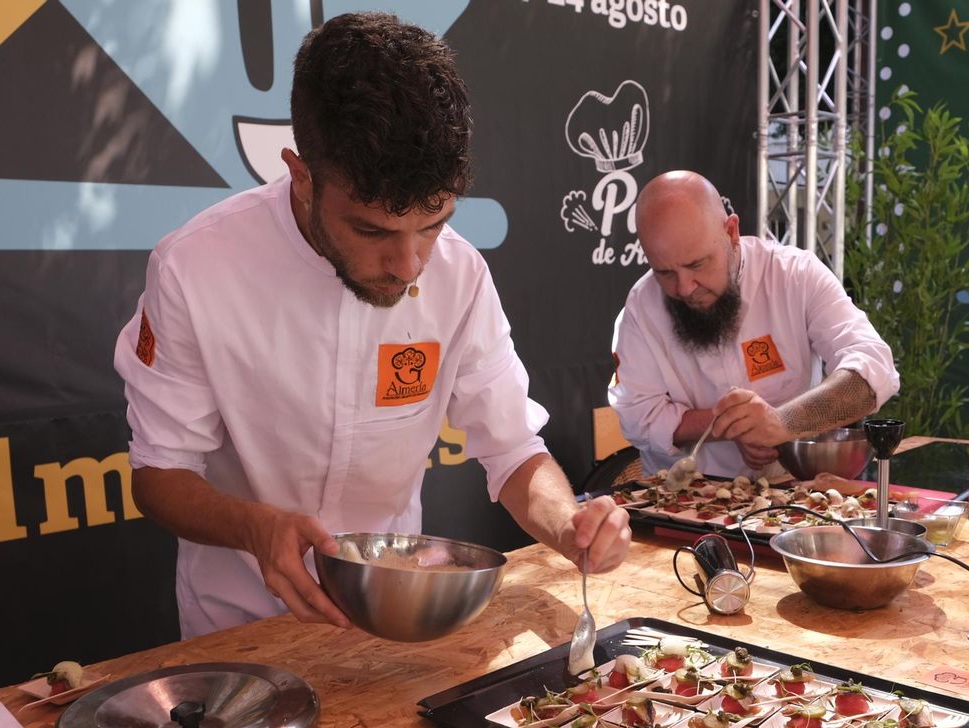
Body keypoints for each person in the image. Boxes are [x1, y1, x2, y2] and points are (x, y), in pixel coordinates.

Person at [114, 13, 630, 638]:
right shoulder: (195, 268)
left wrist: (567, 524)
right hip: (241, 628)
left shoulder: (461, 275)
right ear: (301, 177)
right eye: (371, 231)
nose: (409, 265)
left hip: (392, 624)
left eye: (434, 222)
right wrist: (256, 527)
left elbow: (514, 448)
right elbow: (160, 474)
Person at [608, 171, 899, 477]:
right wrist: (735, 425)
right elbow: (639, 418)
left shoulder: (795, 276)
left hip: (796, 498)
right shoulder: (641, 310)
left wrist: (783, 422)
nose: (684, 288)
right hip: (687, 501)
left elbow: (873, 367)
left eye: (697, 265)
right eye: (664, 272)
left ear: (731, 232)